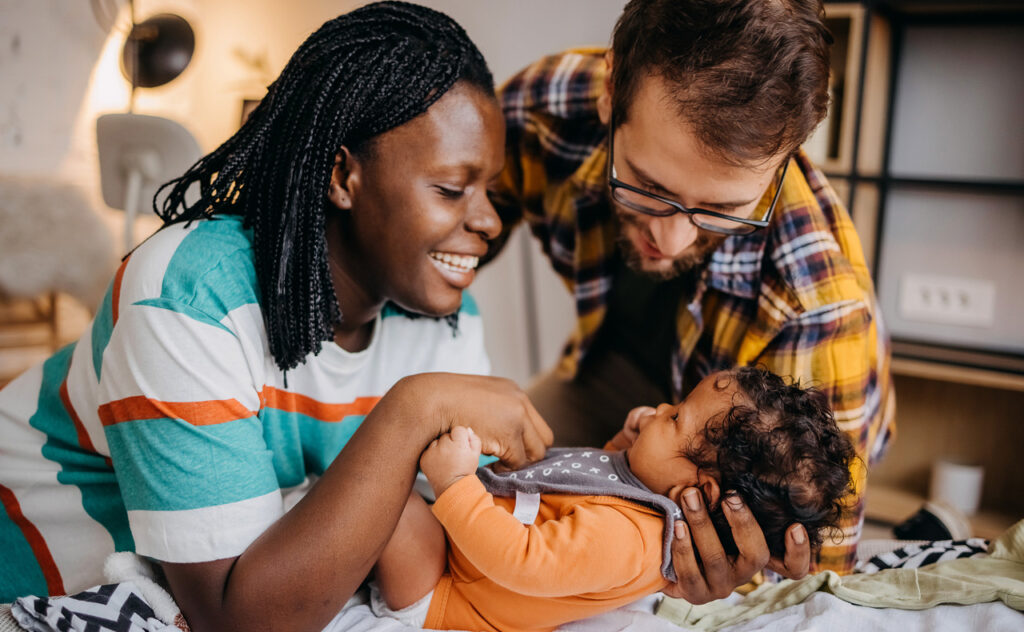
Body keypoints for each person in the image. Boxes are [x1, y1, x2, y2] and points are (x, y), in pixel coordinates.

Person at [0, 4, 558, 631]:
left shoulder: (447, 323)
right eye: (452, 190)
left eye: (490, 191)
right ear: (343, 176)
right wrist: (415, 409)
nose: (488, 222)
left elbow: (460, 545)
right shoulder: (189, 298)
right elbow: (239, 621)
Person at [487, 0, 895, 574]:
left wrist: (714, 585)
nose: (672, 238)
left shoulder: (819, 305)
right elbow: (440, 224)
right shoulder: (543, 110)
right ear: (611, 95)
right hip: (610, 362)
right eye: (649, 186)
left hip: (762, 433)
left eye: (722, 209)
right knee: (507, 470)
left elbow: (816, 582)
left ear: (780, 165)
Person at [370, 366, 856, 632]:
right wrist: (621, 450)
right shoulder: (644, 494)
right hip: (459, 556)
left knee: (390, 501)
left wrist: (455, 485)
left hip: (451, 593)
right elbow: (582, 492)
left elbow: (528, 561)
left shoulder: (631, 539)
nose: (662, 408)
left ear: (699, 489)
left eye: (675, 418)